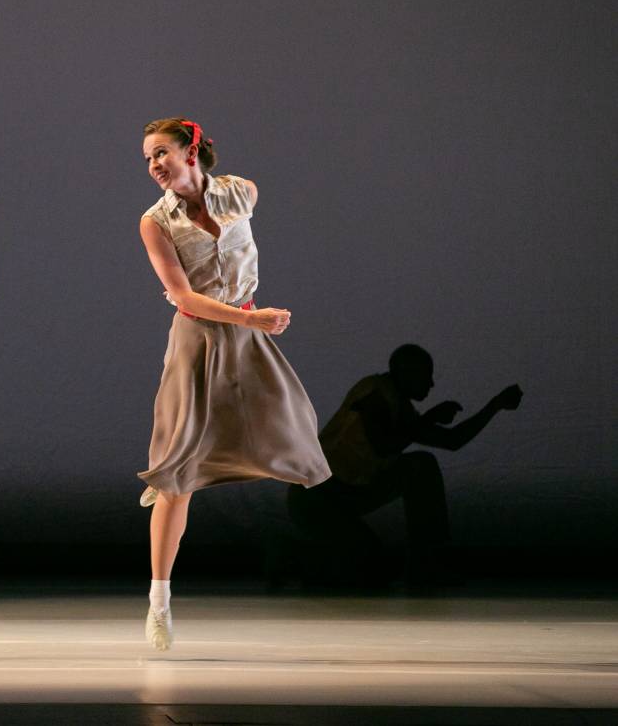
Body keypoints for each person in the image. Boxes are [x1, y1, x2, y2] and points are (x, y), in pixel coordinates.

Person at [136, 118, 330, 650]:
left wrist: (251, 320)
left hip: (249, 334)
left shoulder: (240, 193)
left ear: (191, 150)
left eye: (161, 153)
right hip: (200, 339)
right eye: (148, 158)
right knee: (176, 476)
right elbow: (181, 295)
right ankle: (159, 602)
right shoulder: (156, 222)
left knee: (294, 429)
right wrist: (251, 319)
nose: (153, 165)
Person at [287, 344, 523, 588]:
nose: (431, 384)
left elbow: (452, 441)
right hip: (318, 498)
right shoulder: (375, 393)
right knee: (368, 567)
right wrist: (429, 418)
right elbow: (384, 444)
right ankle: (291, 557)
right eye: (426, 376)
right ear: (406, 374)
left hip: (347, 493)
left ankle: (426, 560)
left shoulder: (401, 408)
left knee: (421, 467)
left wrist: (494, 406)